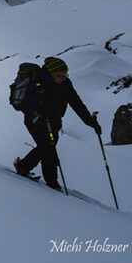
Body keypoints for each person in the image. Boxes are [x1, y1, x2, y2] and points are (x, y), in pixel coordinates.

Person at [13, 56, 101, 191]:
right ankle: (52, 184)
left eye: (66, 75)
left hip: (54, 121)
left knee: (46, 147)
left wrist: (91, 122)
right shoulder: (39, 83)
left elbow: (76, 103)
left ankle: (23, 166)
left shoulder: (65, 84)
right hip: (35, 120)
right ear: (51, 73)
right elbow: (28, 105)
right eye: (60, 76)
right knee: (48, 149)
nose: (63, 78)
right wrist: (39, 110)